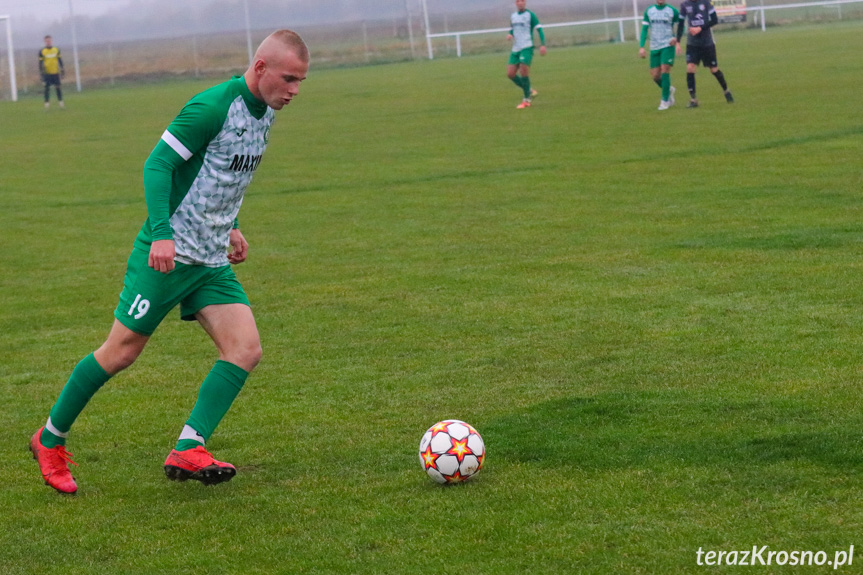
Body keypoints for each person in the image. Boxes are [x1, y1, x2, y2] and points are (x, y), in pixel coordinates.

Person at [29, 29, 310, 495]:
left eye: (301, 81)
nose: (295, 90)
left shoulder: (264, 114)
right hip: (168, 256)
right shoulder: (212, 107)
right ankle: (50, 439)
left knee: (245, 349)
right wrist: (162, 234)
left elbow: (222, 173)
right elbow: (158, 164)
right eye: (289, 78)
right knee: (121, 352)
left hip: (210, 258)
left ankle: (188, 445)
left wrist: (232, 224)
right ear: (260, 68)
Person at [677, 0, 734, 107]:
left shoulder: (706, 2)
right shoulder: (684, 5)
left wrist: (700, 28)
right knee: (690, 68)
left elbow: (714, 20)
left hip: (707, 43)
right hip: (692, 43)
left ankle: (726, 91)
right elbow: (680, 23)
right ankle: (693, 100)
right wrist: (678, 42)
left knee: (714, 69)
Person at [639, 0, 681, 111]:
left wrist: (676, 39)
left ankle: (664, 101)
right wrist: (642, 47)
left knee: (665, 69)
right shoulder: (649, 11)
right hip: (654, 46)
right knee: (655, 76)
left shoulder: (672, 11)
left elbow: (681, 27)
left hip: (668, 45)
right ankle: (669, 90)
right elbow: (644, 30)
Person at [506, 0, 546, 109]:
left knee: (523, 69)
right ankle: (529, 90)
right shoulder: (513, 16)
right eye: (518, 1)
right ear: (516, 3)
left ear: (525, 2)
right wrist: (510, 35)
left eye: (522, 1)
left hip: (527, 47)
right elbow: (512, 30)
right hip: (516, 48)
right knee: (510, 74)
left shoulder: (530, 15)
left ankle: (526, 99)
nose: (520, 3)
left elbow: (540, 30)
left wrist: (543, 44)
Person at [39, 35, 65, 110]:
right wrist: (41, 73)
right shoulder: (42, 51)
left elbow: (60, 60)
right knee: (47, 89)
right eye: (47, 41)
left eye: (49, 40)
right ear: (45, 42)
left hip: (55, 72)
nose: (48, 42)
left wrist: (62, 70)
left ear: (51, 41)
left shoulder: (56, 49)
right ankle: (46, 105)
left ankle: (61, 104)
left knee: (58, 88)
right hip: (47, 73)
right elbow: (40, 63)